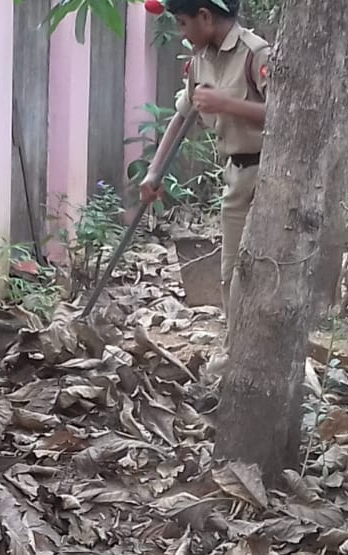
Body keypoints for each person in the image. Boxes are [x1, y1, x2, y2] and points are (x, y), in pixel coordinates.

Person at [141, 0, 271, 330]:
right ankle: (235, 348)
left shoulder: (256, 54)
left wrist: (227, 104)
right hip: (236, 176)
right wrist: (154, 172)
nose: (181, 33)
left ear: (205, 16)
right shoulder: (201, 60)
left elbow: (285, 115)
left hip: (269, 177)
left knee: (268, 273)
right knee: (233, 274)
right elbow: (182, 116)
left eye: (183, 23)